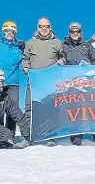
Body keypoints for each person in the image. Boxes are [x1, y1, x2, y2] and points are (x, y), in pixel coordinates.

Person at [21, 17, 65, 147]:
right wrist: (25, 66)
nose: (44, 28)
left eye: (46, 26)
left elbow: (62, 56)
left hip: (51, 82)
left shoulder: (57, 42)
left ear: (50, 27)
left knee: (51, 108)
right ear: (37, 28)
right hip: (34, 81)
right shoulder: (30, 43)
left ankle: (52, 136)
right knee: (30, 107)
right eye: (41, 26)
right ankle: (26, 137)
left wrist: (62, 60)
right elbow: (25, 58)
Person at [62, 22, 95, 145]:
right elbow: (59, 58)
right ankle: (76, 134)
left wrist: (90, 67)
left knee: (92, 106)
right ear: (69, 32)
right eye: (72, 31)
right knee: (75, 108)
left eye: (77, 31)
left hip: (86, 82)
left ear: (80, 32)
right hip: (71, 82)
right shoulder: (63, 46)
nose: (75, 33)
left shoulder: (86, 45)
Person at [0, 20, 25, 140]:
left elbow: (29, 57)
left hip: (13, 84)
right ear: (3, 32)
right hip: (0, 82)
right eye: (7, 31)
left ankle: (10, 137)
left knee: (12, 111)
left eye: (12, 32)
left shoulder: (19, 47)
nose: (9, 33)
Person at [0, 70, 30, 149]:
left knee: (7, 135)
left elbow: (18, 116)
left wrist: (27, 136)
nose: (0, 85)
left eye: (1, 82)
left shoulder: (5, 98)